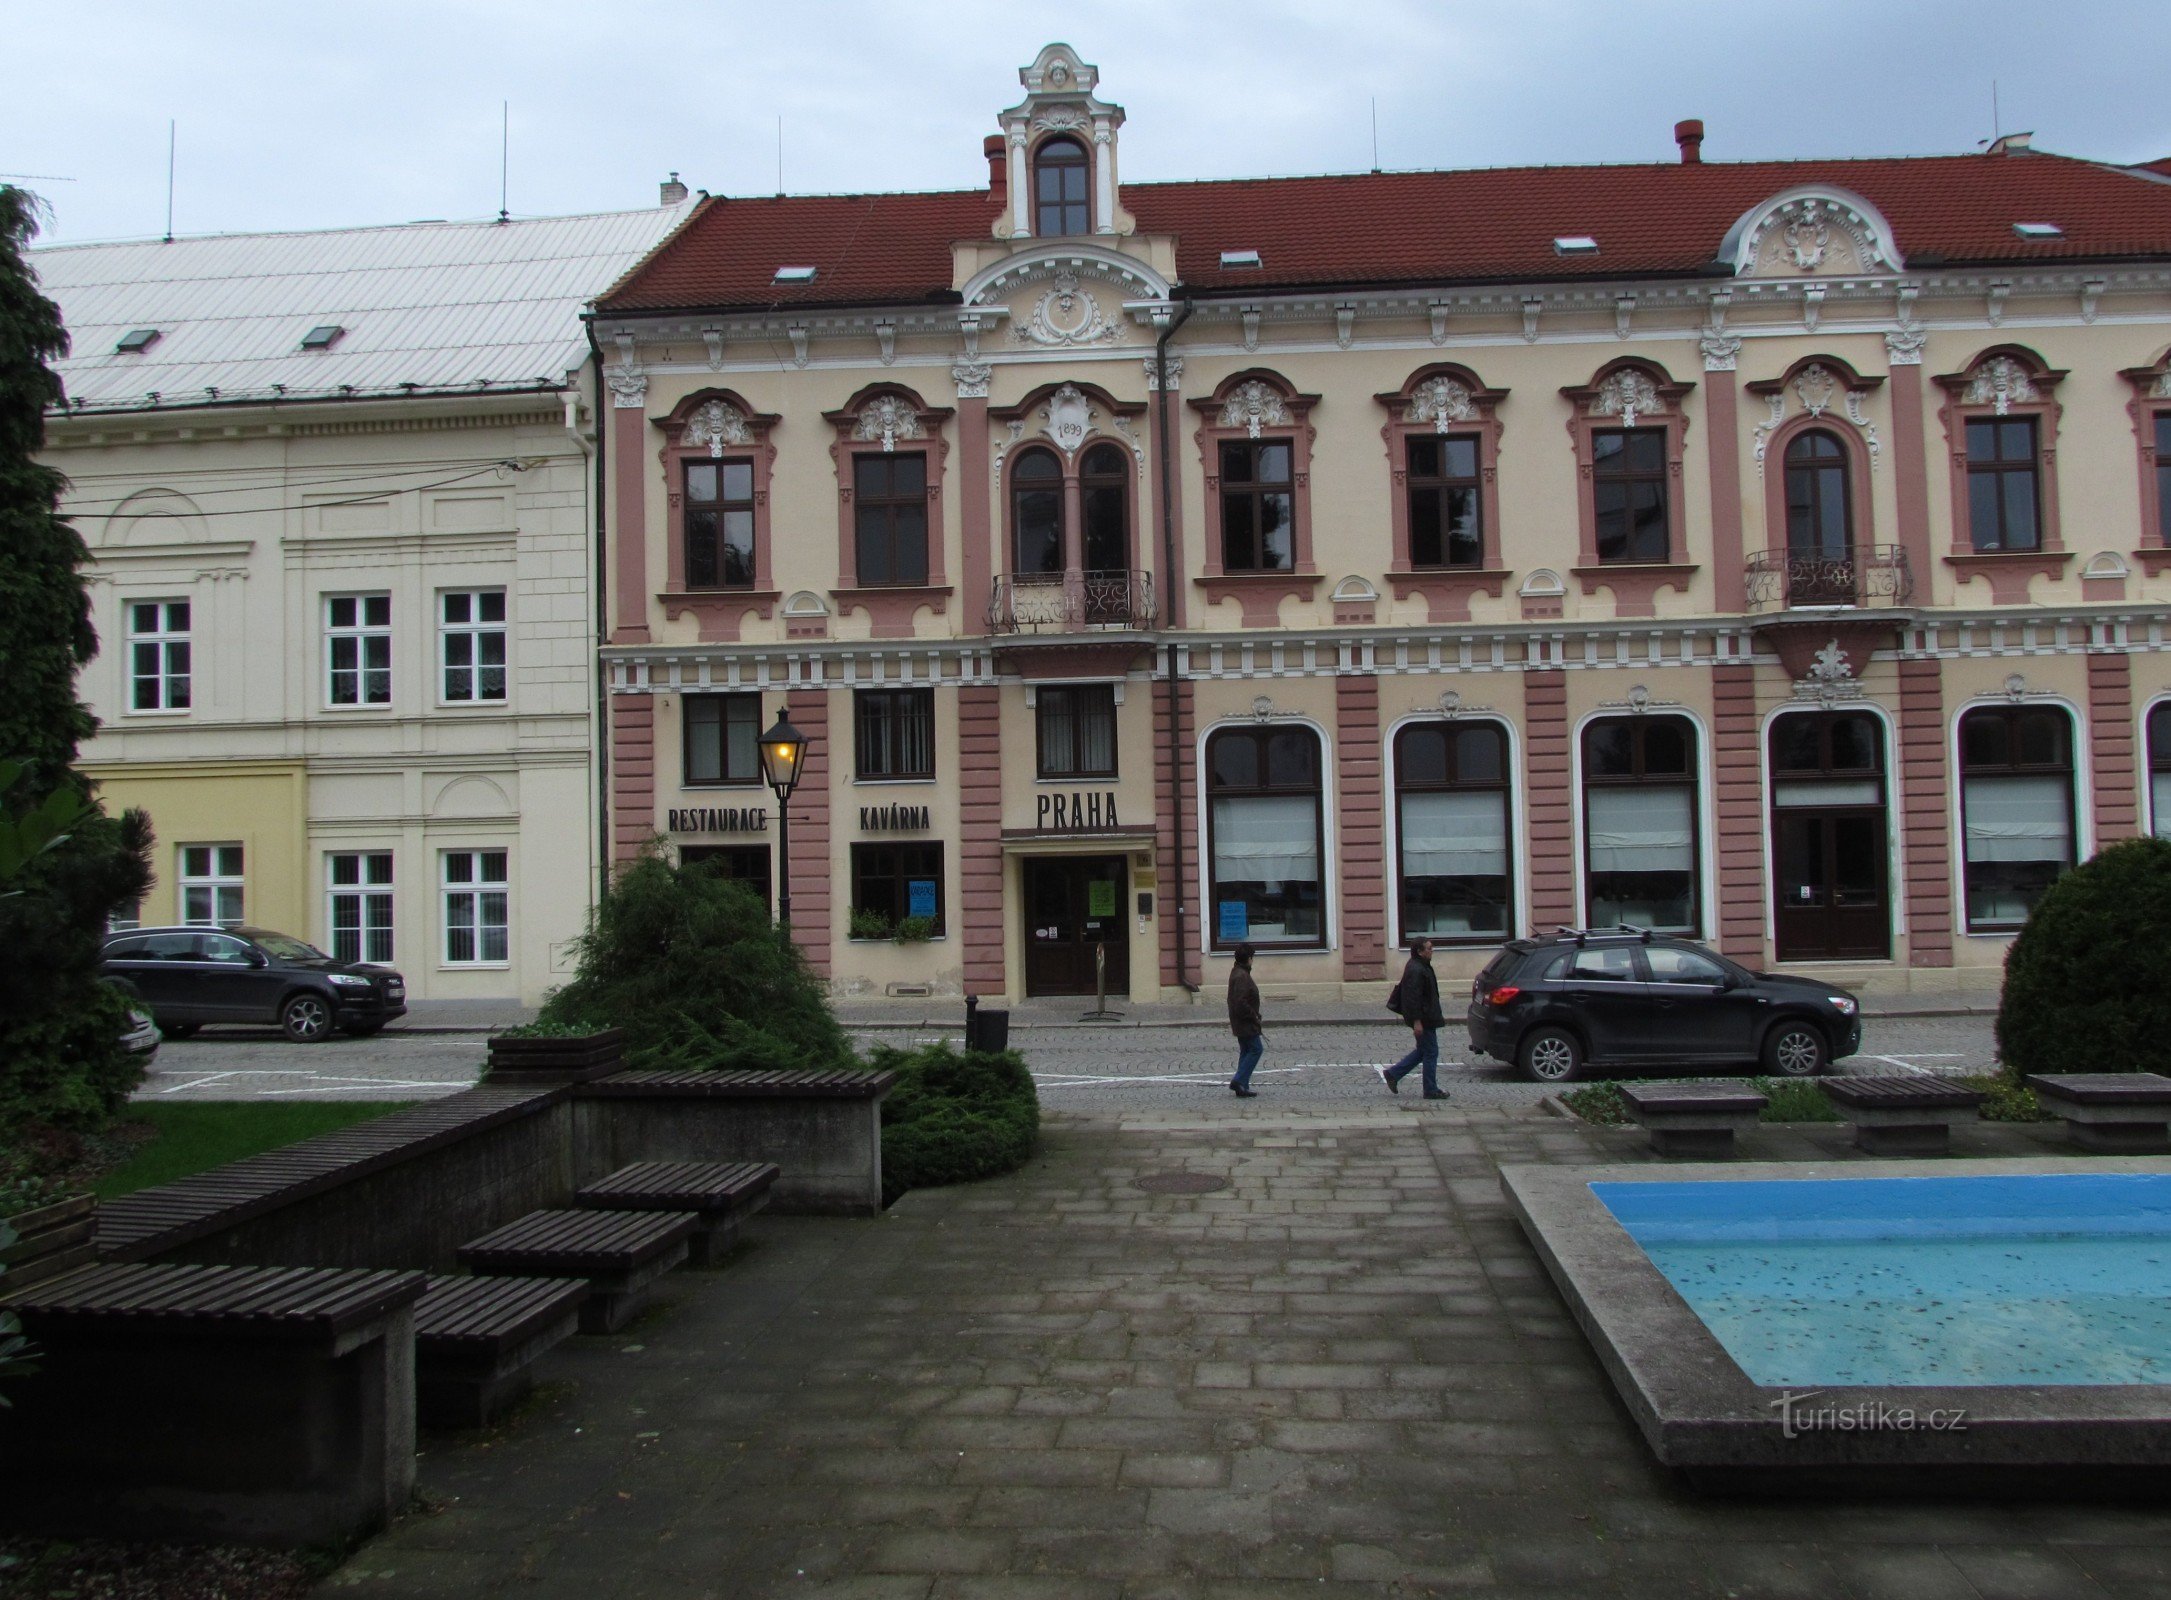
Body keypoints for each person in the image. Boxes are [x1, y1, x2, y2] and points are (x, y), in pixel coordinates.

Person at [1380, 937, 1448, 1099]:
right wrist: (1417, 1022)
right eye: (1429, 949)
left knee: (1423, 1050)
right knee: (1431, 1052)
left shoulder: (1421, 966)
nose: (1432, 951)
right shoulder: (1416, 969)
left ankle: (1393, 1074)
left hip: (1427, 1015)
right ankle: (1430, 1089)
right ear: (1420, 951)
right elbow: (1413, 998)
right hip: (1424, 1018)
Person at [1226, 942, 1264, 1097]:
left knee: (1246, 1050)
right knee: (1256, 1049)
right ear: (1248, 958)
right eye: (1252, 957)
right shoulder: (1241, 976)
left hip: (1240, 1020)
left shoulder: (1238, 972)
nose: (1252, 960)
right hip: (1245, 1021)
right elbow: (1240, 1002)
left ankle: (1243, 1085)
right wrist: (1253, 1015)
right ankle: (1239, 1080)